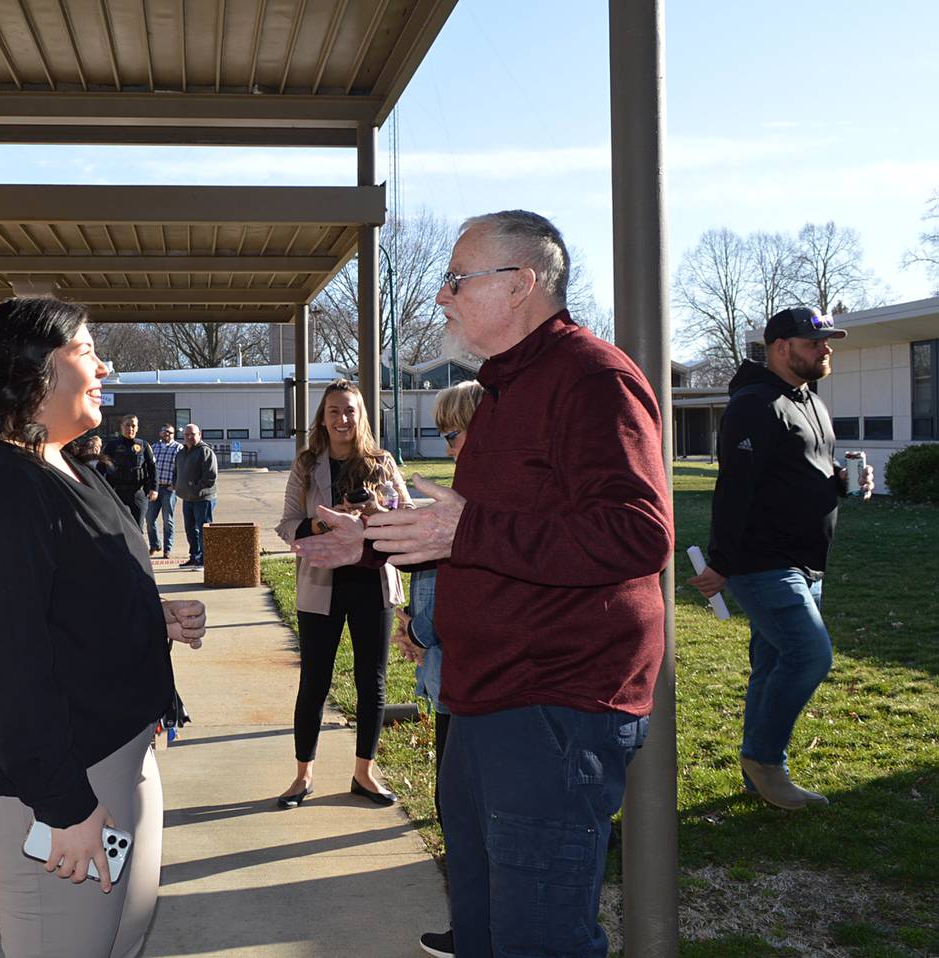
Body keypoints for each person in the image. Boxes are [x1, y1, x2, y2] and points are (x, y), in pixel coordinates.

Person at [294, 210, 672, 958]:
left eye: (457, 280)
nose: (442, 296)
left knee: (538, 938)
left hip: (553, 706)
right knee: (485, 929)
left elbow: (639, 533)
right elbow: (485, 534)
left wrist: (464, 533)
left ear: (522, 284)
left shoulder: (592, 379)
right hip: (486, 699)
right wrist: (372, 544)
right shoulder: (502, 390)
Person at [0, 298, 205, 958]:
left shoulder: (66, 465)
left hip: (113, 757)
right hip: (55, 785)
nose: (104, 365)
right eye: (85, 351)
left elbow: (60, 601)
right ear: (34, 373)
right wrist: (64, 806)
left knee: (121, 940)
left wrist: (149, 616)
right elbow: (5, 663)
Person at [688, 305, 873, 810]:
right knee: (810, 655)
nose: (825, 349)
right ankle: (767, 763)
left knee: (771, 666)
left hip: (807, 561)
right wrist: (721, 563)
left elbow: (803, 466)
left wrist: (841, 480)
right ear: (780, 347)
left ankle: (759, 774)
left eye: (826, 341)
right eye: (815, 342)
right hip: (763, 561)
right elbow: (734, 489)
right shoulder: (754, 404)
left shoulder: (809, 401)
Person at [274, 380, 413, 810]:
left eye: (350, 411)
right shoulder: (307, 463)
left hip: (372, 582)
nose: (342, 419)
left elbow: (407, 518)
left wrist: (375, 512)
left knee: (371, 680)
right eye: (333, 411)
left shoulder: (381, 462)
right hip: (322, 585)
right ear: (322, 417)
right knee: (314, 679)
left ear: (361, 416)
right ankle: (303, 776)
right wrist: (325, 524)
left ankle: (364, 773)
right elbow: (287, 525)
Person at [392, 381, 484, 823]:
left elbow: (469, 592)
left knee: (460, 807)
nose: (448, 450)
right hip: (449, 675)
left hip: (477, 685)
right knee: (451, 801)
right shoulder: (465, 489)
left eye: (452, 436)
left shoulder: (484, 500)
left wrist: (417, 630)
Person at [173, 424, 219, 568]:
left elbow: (210, 477)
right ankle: (194, 557)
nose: (189, 437)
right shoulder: (181, 452)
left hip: (203, 499)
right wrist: (177, 484)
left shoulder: (205, 451)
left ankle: (205, 560)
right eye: (186, 435)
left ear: (200, 434)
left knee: (203, 530)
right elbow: (176, 472)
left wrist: (195, 488)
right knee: (190, 530)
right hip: (187, 498)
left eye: (192, 434)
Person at [103, 414, 157, 527]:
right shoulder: (112, 446)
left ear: (137, 428)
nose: (130, 429)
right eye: (127, 425)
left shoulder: (144, 445)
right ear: (121, 426)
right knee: (118, 527)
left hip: (137, 493)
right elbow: (101, 468)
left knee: (138, 528)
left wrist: (154, 488)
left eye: (133, 426)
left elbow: (152, 467)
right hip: (117, 493)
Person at [146, 424, 182, 558]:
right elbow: (148, 467)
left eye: (170, 432)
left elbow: (181, 469)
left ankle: (167, 549)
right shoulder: (153, 447)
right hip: (154, 489)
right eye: (165, 431)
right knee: (149, 519)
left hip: (169, 489)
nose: (167, 434)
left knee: (168, 521)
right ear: (160, 433)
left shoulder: (178, 448)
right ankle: (155, 544)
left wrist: (174, 485)